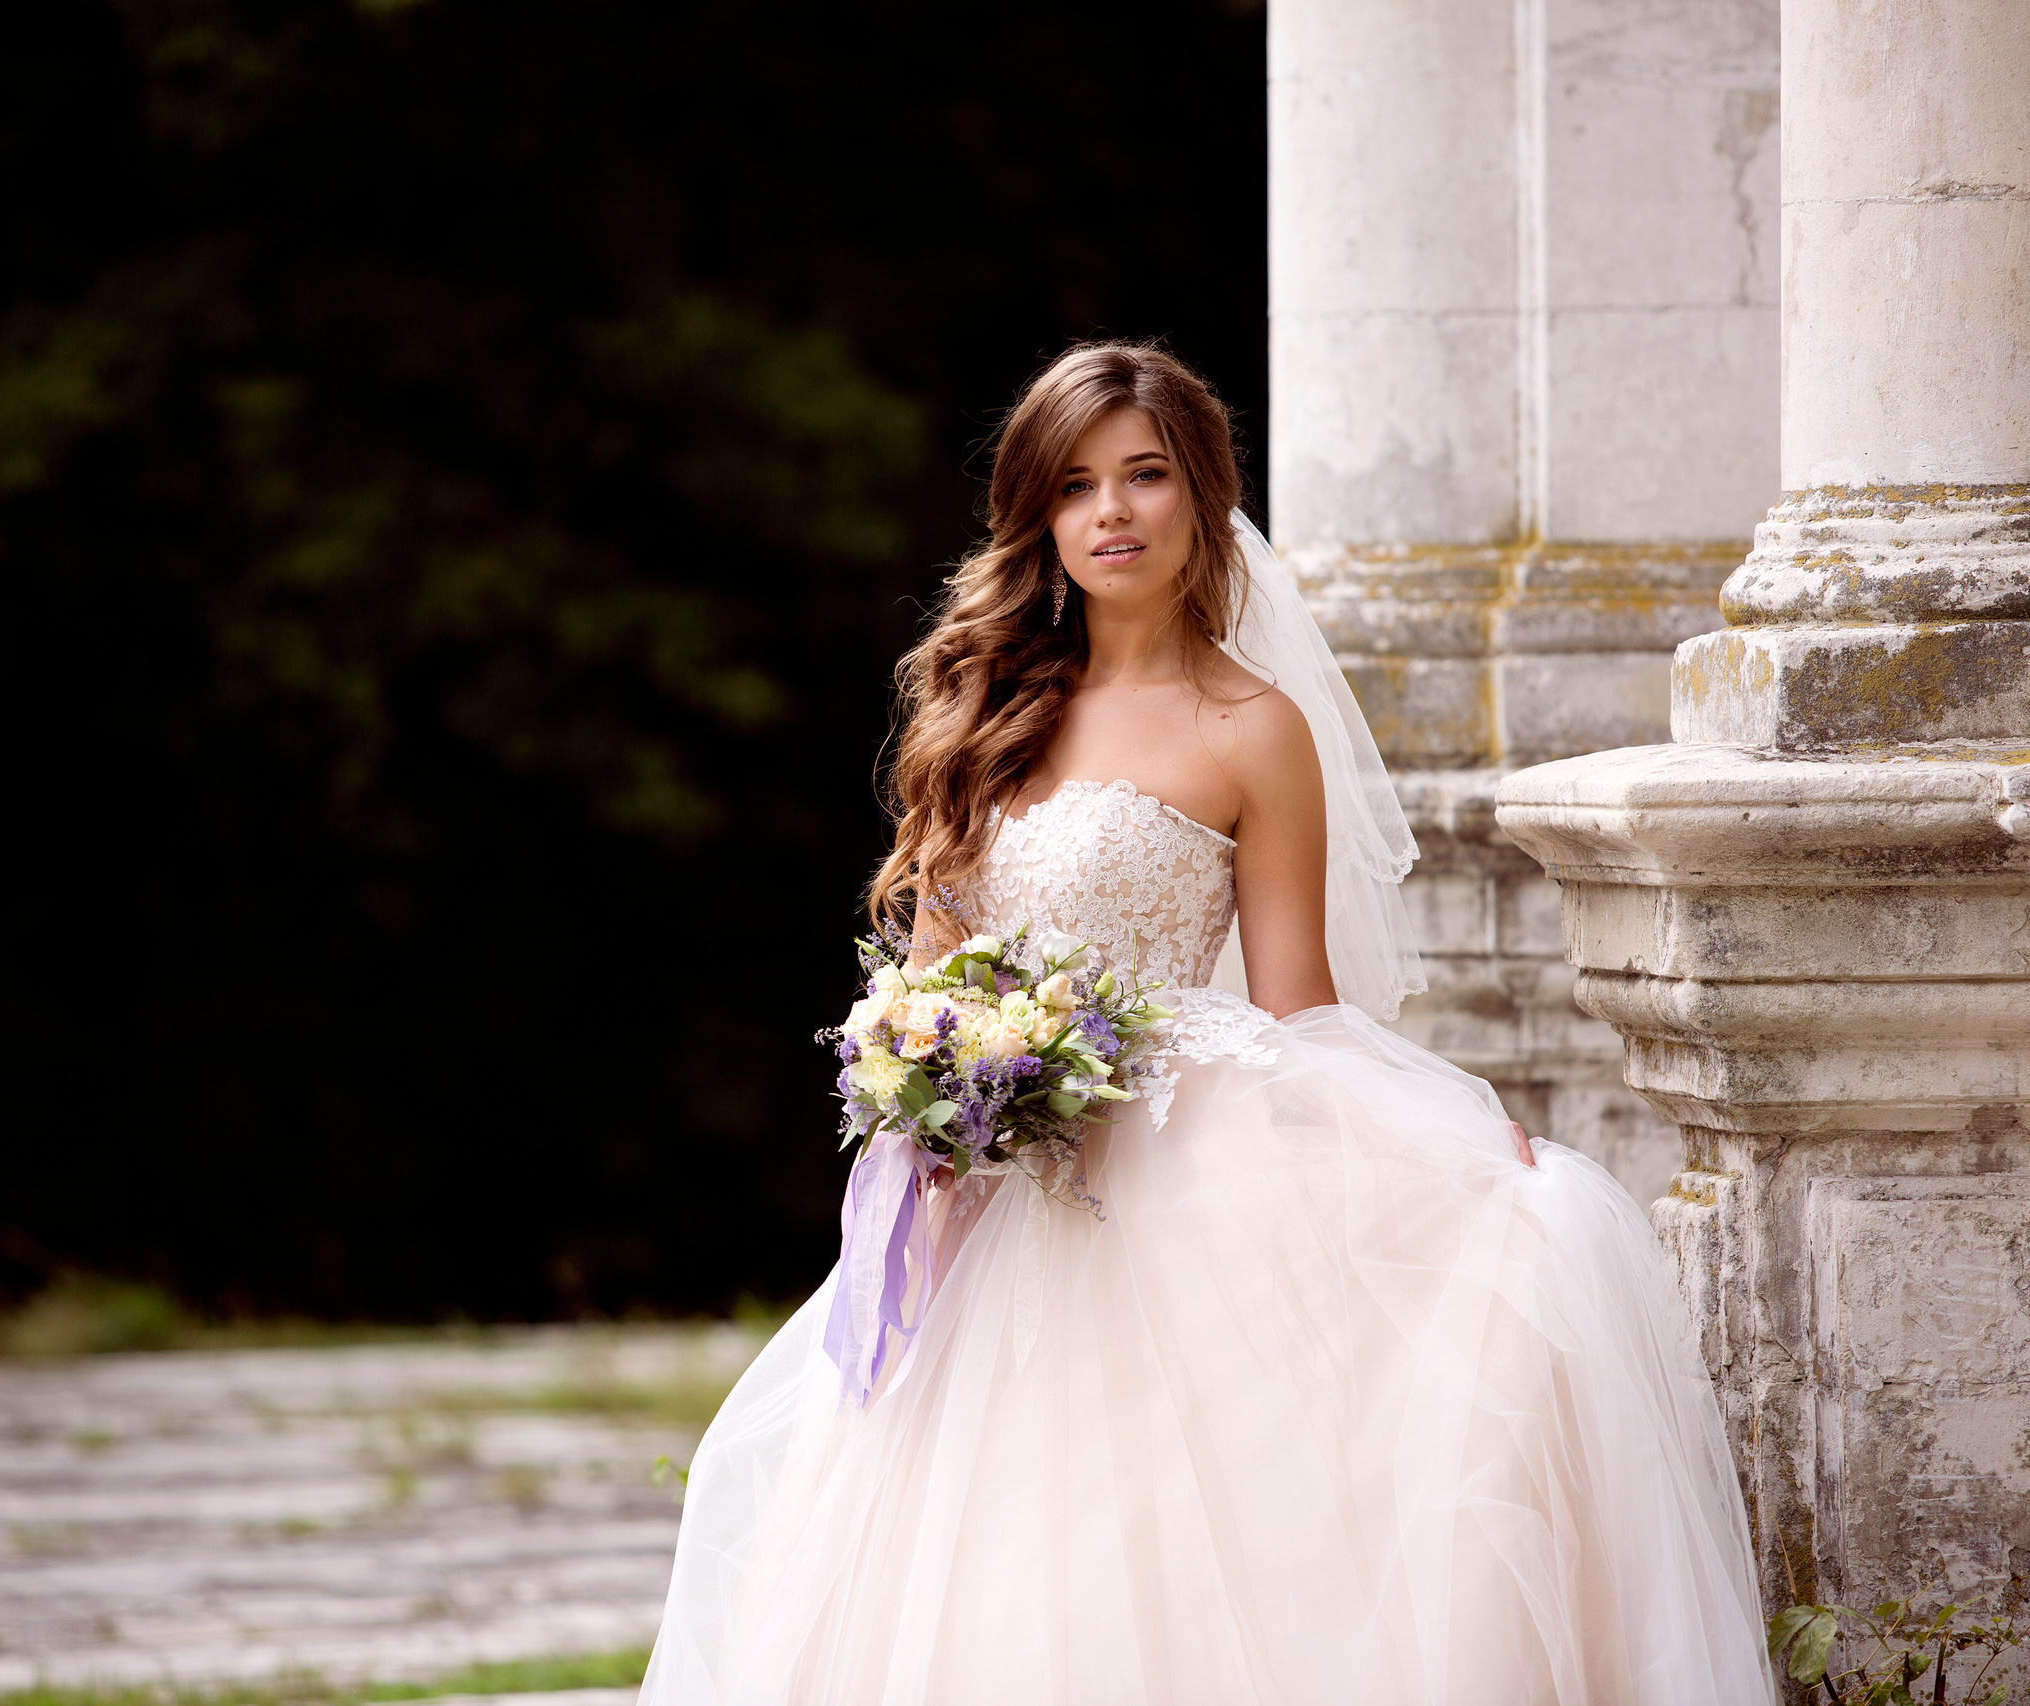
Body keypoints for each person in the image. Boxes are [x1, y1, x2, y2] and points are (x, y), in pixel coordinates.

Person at [637, 343, 1778, 1705]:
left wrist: (1456, 1147)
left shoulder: (1253, 726)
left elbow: (1297, 1003)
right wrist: (930, 1073)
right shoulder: (985, 708)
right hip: (1000, 1193)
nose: (1110, 512)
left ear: (1202, 496)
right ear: (1041, 519)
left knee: (1177, 1538)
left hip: (1178, 1164)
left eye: (1144, 476)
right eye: (1074, 486)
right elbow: (934, 968)